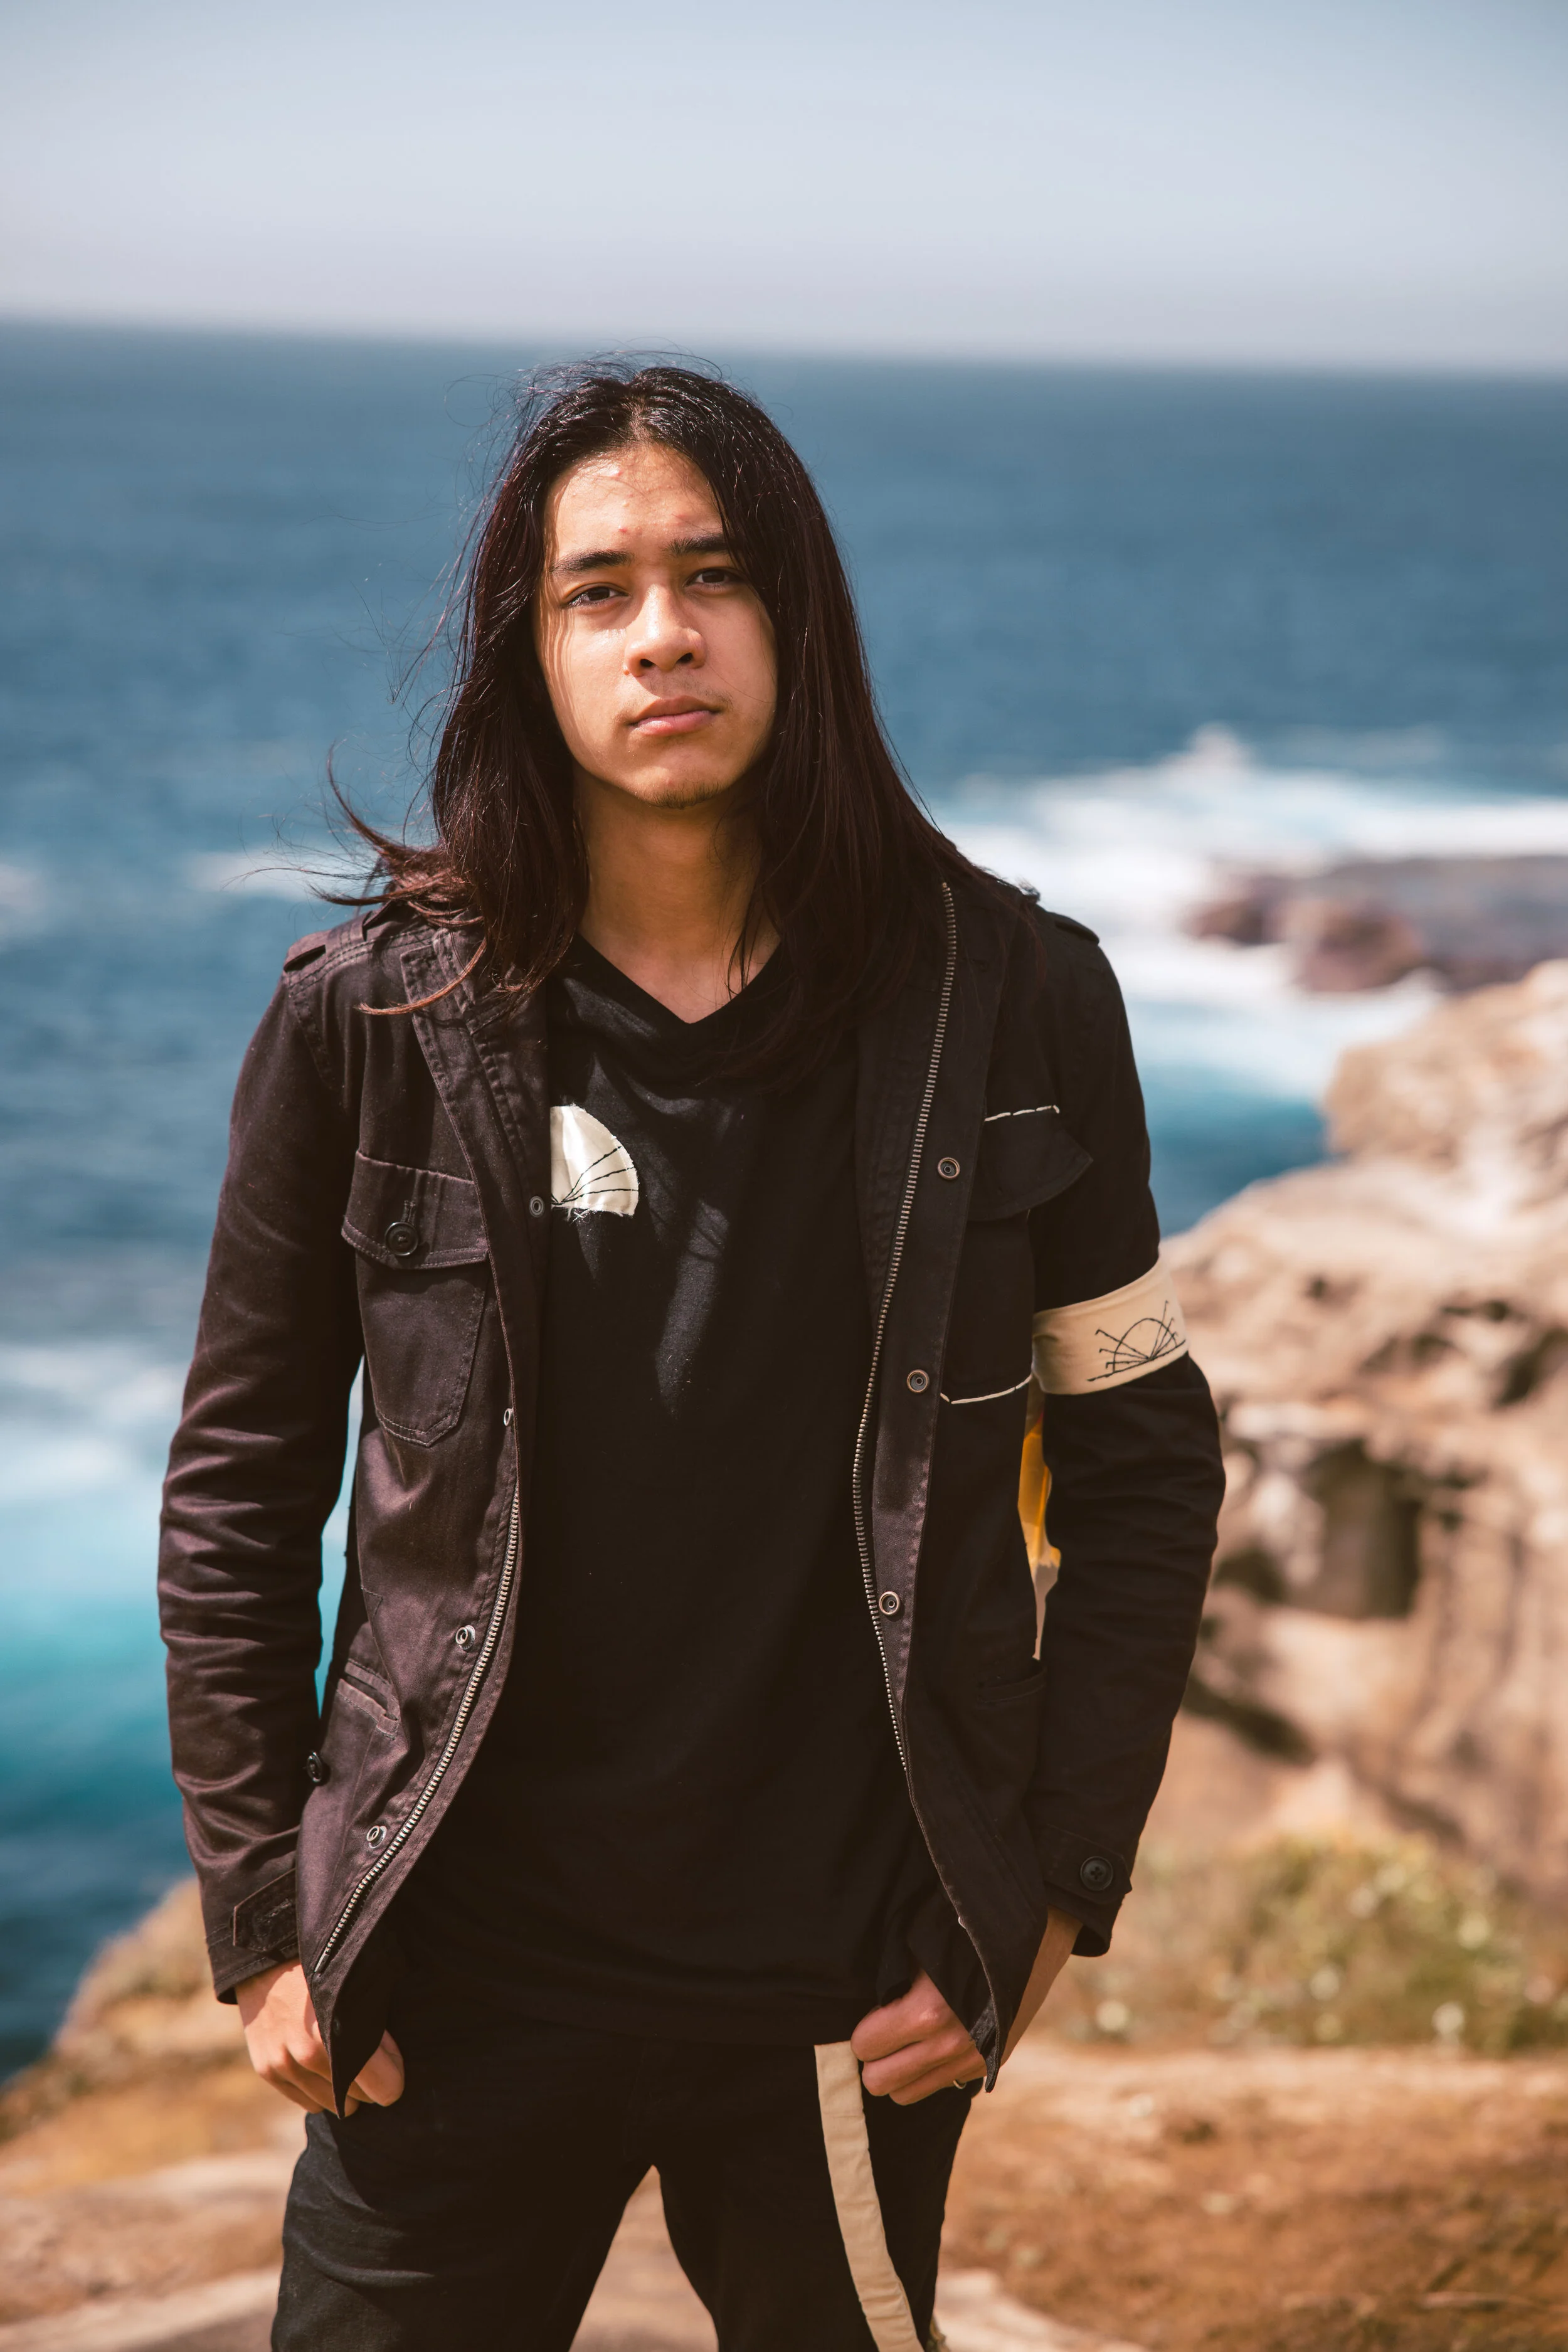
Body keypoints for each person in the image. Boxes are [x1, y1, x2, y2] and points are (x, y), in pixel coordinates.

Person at [159, 364, 1223, 2351]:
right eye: (601, 590)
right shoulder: (370, 1020)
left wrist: (1051, 1885)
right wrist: (260, 1923)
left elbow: (1142, 1458)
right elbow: (238, 1485)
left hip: (842, 2000)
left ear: (798, 621)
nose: (663, 632)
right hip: (451, 1981)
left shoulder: (1014, 1001)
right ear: (531, 652)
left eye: (715, 574)